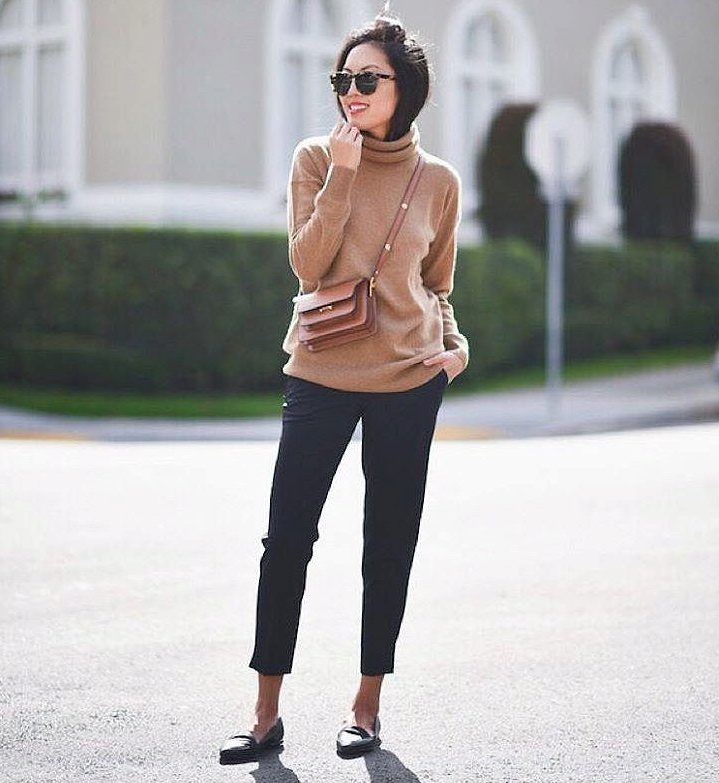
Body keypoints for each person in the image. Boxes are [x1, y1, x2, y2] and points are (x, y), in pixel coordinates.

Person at [219, 10, 469, 765]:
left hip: (409, 379)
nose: (351, 91)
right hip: (321, 373)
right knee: (286, 539)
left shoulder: (439, 182)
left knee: (389, 541)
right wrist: (345, 173)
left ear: (405, 89)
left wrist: (451, 349)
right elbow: (308, 263)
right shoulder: (315, 159)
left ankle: (366, 705)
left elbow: (437, 284)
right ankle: (265, 713)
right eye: (343, 79)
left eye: (367, 79)